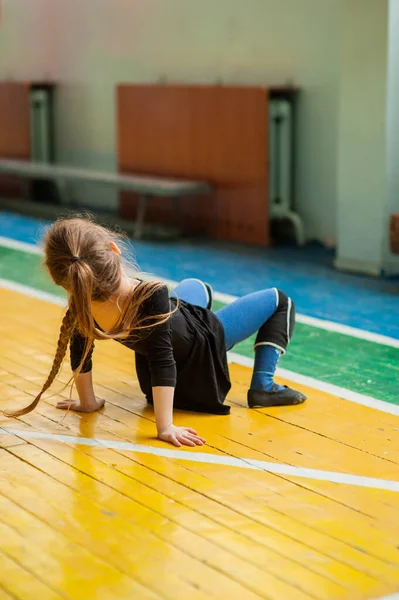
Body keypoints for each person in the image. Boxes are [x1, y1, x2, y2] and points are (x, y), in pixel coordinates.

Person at [4, 216, 306, 447]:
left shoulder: (82, 300)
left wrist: (88, 402)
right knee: (280, 300)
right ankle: (263, 388)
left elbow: (81, 351)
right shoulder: (151, 294)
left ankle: (196, 320)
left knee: (194, 287)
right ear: (113, 249)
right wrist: (165, 428)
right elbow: (165, 362)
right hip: (203, 349)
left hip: (160, 370)